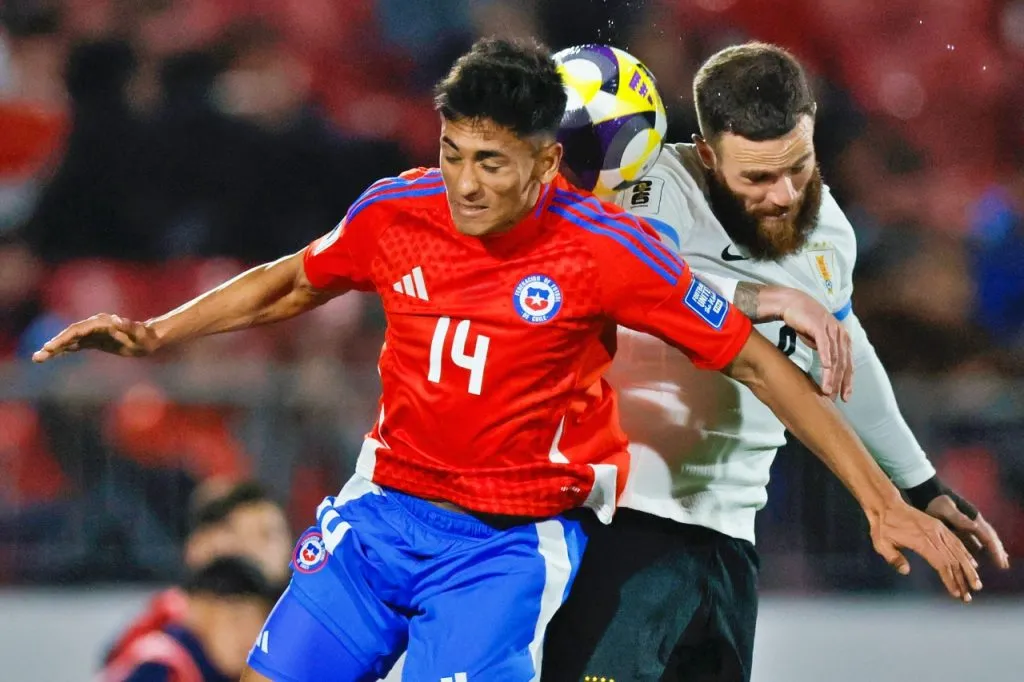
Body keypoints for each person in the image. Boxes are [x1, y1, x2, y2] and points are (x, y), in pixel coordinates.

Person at [34, 38, 980, 682]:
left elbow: (766, 368)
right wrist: (159, 332)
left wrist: (889, 494)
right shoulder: (398, 211)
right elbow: (289, 282)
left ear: (542, 161)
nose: (468, 184)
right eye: (455, 154)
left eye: (493, 163)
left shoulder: (609, 248)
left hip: (505, 548)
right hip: (382, 518)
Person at [542, 42, 1010, 682]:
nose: (785, 194)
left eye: (799, 166)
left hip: (732, 542)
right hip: (620, 523)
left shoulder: (830, 234)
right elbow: (662, 281)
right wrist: (766, 298)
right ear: (707, 156)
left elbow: (848, 362)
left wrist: (920, 483)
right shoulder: (646, 190)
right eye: (757, 178)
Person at [102, 481, 292, 671]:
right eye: (240, 535)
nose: (254, 549)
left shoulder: (305, 619)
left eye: (267, 535)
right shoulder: (167, 634)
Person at [99, 556, 277, 682]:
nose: (249, 636)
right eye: (237, 619)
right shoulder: (159, 668)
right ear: (198, 609)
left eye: (259, 624)